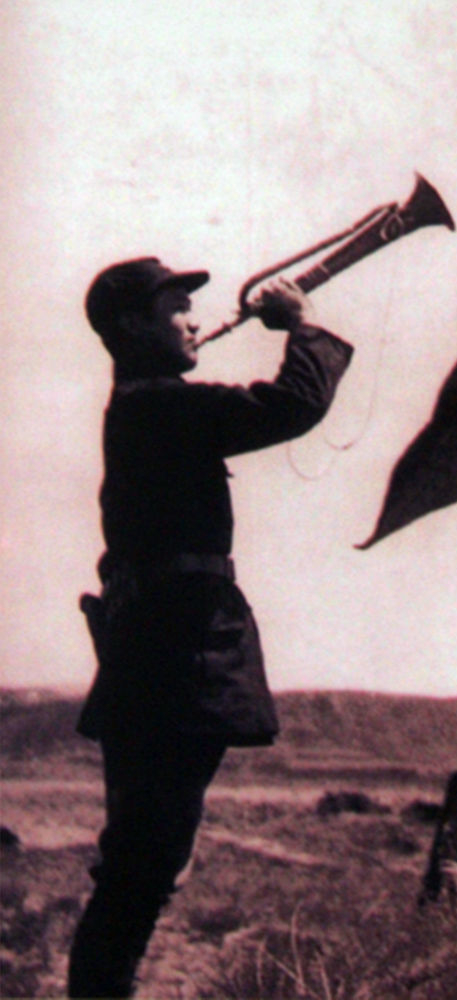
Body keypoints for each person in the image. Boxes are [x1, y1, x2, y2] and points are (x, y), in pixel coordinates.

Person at [68, 256, 353, 998]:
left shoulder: (148, 406)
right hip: (174, 658)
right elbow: (293, 406)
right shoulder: (158, 407)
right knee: (144, 863)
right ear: (132, 326)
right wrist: (303, 326)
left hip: (157, 652)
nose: (194, 321)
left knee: (145, 860)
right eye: (176, 309)